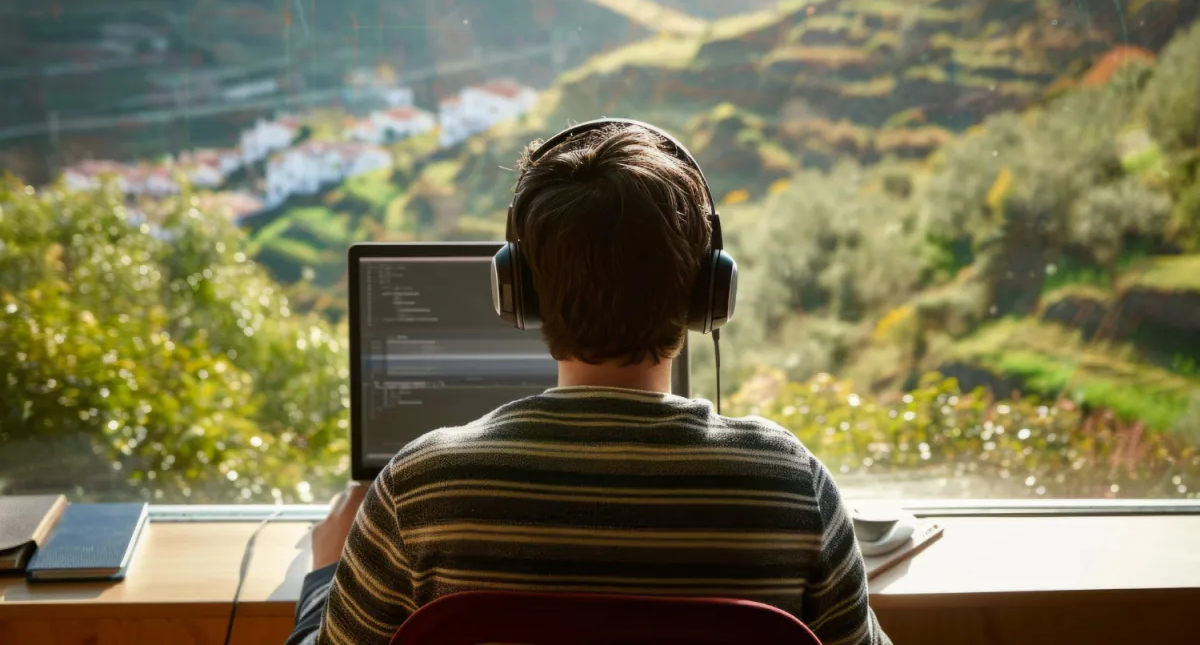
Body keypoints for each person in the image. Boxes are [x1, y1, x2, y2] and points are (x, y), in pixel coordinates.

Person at [286, 121, 891, 645]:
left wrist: (324, 572)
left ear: (517, 292)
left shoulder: (419, 490)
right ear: (708, 293)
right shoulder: (790, 485)